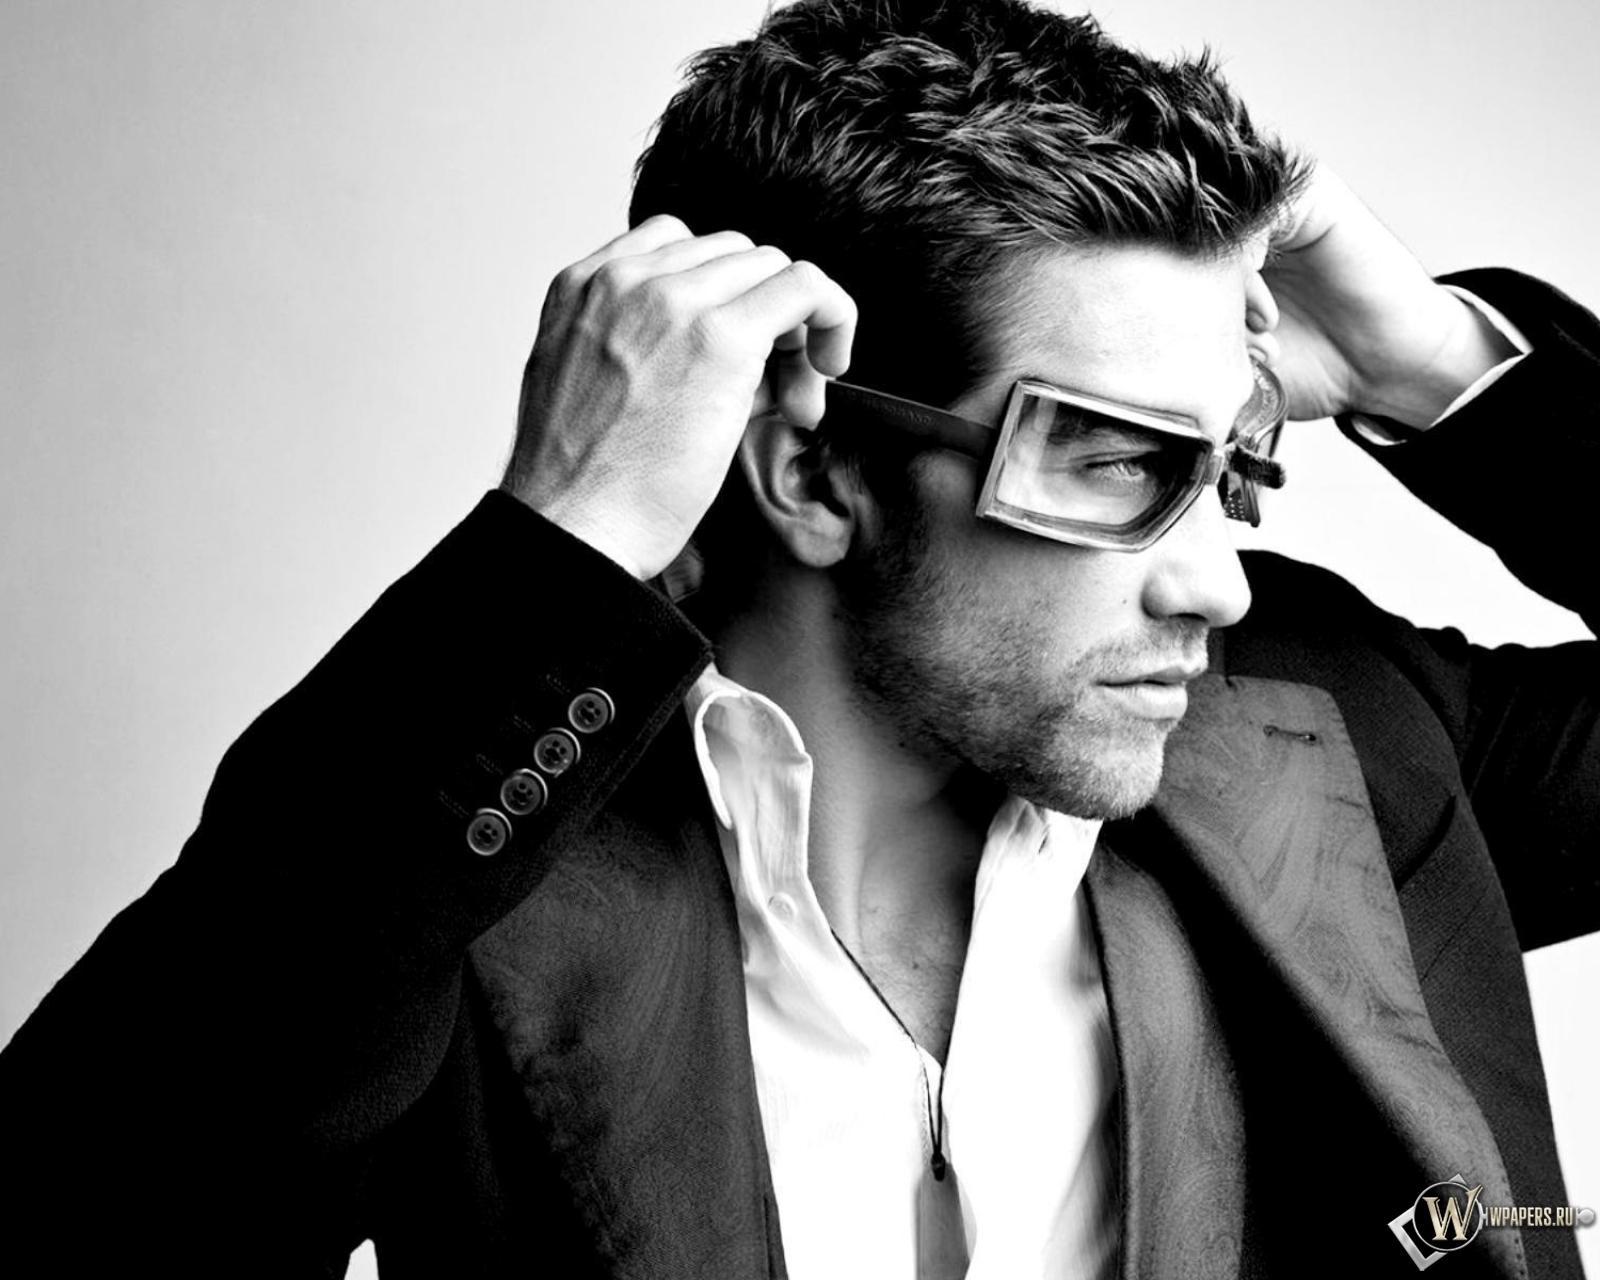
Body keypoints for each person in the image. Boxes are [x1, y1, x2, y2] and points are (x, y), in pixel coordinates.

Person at [2, 0, 1594, 1276]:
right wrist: (563, 552)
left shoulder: (1334, 728)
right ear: (813, 472)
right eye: (1122, 466)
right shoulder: (459, 864)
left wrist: (1438, 365)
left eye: (1229, 469)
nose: (1218, 586)